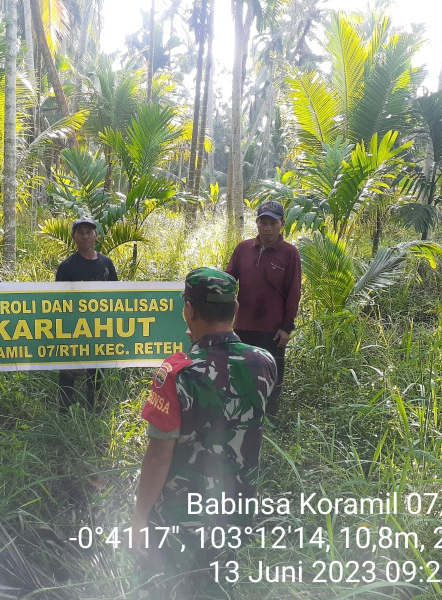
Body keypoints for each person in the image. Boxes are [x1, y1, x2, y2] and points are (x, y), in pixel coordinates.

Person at [133, 267, 276, 599]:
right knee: (219, 587)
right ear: (235, 310)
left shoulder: (177, 374)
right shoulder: (265, 361)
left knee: (167, 588)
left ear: (189, 309)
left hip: (180, 519)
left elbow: (157, 458)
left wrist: (139, 517)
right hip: (236, 512)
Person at [225, 200, 301, 418]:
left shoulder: (290, 254)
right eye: (263, 222)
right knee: (241, 374)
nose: (267, 228)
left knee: (272, 377)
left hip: (273, 330)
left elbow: (293, 292)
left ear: (282, 224)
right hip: (243, 327)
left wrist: (287, 327)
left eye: (272, 223)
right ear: (257, 223)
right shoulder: (243, 249)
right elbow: (229, 280)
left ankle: (270, 422)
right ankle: (241, 418)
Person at [55, 215, 118, 410]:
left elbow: (117, 297)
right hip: (73, 329)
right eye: (80, 233)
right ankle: (64, 411)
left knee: (97, 371)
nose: (85, 236)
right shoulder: (66, 267)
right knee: (68, 371)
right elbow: (58, 303)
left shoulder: (107, 264)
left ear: (96, 235)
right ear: (73, 237)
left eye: (89, 232)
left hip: (99, 327)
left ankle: (95, 406)